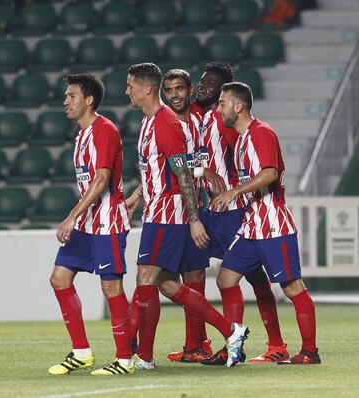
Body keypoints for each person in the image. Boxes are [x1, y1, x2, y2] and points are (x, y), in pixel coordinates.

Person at [125, 62, 249, 370]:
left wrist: (195, 218)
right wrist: (137, 196)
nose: (126, 92)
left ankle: (142, 356)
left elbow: (182, 170)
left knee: (147, 278)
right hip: (161, 209)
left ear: (145, 89)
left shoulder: (172, 123)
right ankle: (230, 331)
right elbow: (158, 168)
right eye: (170, 89)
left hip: (171, 212)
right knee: (166, 284)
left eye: (129, 86)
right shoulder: (149, 122)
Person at [168, 62, 289, 365]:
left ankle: (273, 343)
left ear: (227, 93)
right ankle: (196, 345)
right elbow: (186, 160)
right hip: (210, 211)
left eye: (213, 84)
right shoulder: (200, 118)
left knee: (252, 277)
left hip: (234, 211)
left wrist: (236, 189)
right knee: (192, 269)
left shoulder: (229, 124)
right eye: (203, 82)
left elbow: (249, 162)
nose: (204, 87)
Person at [212, 82, 320, 365]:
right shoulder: (242, 140)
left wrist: (235, 191)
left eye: (223, 103)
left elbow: (270, 172)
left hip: (273, 226)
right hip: (251, 227)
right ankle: (234, 345)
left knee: (292, 286)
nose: (219, 109)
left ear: (238, 106)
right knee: (225, 279)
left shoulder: (261, 132)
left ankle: (310, 351)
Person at [48, 73, 137, 376]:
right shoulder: (82, 134)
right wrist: (79, 217)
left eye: (71, 96)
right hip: (88, 221)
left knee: (111, 286)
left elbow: (101, 180)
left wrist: (71, 216)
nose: (65, 102)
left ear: (89, 100)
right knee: (59, 278)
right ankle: (82, 352)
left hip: (108, 220)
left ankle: (125, 360)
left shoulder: (104, 130)